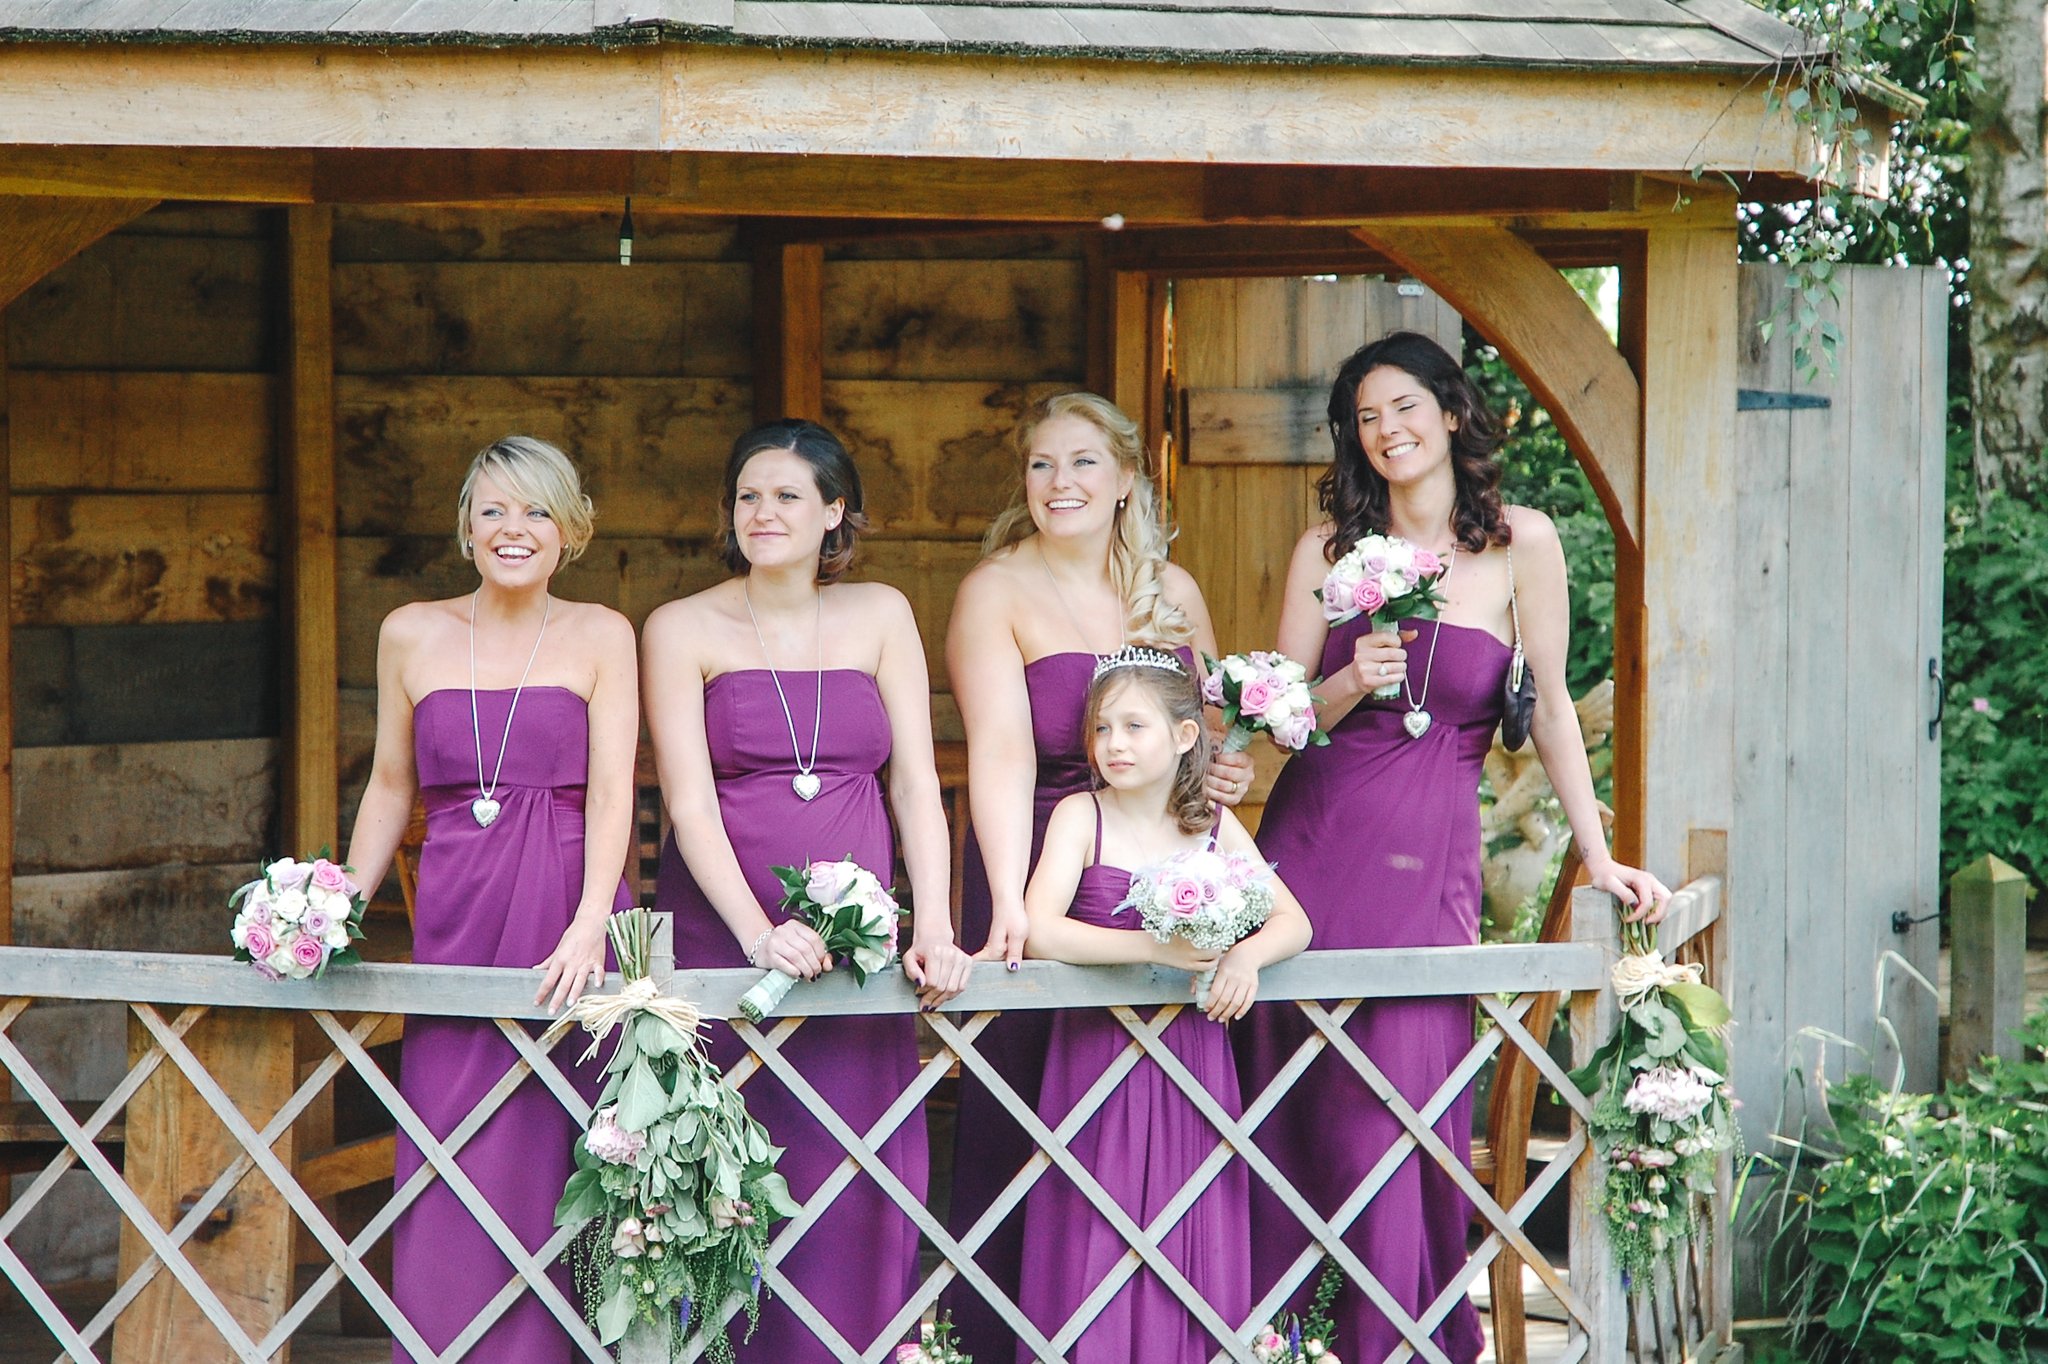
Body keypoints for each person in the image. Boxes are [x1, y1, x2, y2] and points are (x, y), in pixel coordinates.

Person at [1238, 331, 1672, 1364]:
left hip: (1427, 860)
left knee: (1393, 1103)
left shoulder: (1524, 542)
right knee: (1293, 1099)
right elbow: (1274, 719)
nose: (1385, 430)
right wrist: (1350, 681)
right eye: (1365, 416)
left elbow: (1552, 707)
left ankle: (1398, 1340)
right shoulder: (1325, 549)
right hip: (1310, 847)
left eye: (1403, 406)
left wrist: (1598, 854)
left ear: (1448, 411)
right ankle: (1279, 1337)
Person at [642, 419, 973, 1359]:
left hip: (854, 947)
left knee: (849, 1160)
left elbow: (915, 783)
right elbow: (688, 804)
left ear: (835, 512)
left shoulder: (882, 614)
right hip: (727, 936)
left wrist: (934, 923)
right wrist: (756, 932)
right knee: (724, 1172)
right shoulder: (680, 627)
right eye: (748, 496)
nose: (764, 512)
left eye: (788, 495)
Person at [942, 392, 1251, 1355]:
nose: (1060, 482)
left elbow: (1205, 733)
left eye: (1082, 462)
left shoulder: (1173, 589)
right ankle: (1015, 1333)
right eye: (1041, 464)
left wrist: (1227, 768)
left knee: (1163, 1101)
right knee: (1030, 1106)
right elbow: (1001, 750)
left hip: (1163, 869)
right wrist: (1006, 900)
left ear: (1126, 479)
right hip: (1041, 857)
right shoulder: (996, 590)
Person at [343, 435, 638, 1364]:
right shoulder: (410, 631)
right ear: (466, 528)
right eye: (494, 510)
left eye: (537, 511)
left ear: (570, 531)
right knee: (454, 1141)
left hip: (568, 909)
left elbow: (613, 792)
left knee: (571, 1148)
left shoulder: (603, 633)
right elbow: (390, 784)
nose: (515, 529)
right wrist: (338, 907)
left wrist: (591, 924)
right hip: (458, 910)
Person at [1016, 647, 1310, 1364]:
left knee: (1188, 1218)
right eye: (1101, 729)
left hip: (1193, 1057)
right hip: (1096, 1056)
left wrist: (1245, 956)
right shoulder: (1080, 816)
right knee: (1096, 1224)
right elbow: (1042, 928)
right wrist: (1153, 948)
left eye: (1133, 727)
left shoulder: (1212, 825)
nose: (1113, 744)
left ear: (1184, 736)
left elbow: (1294, 923)